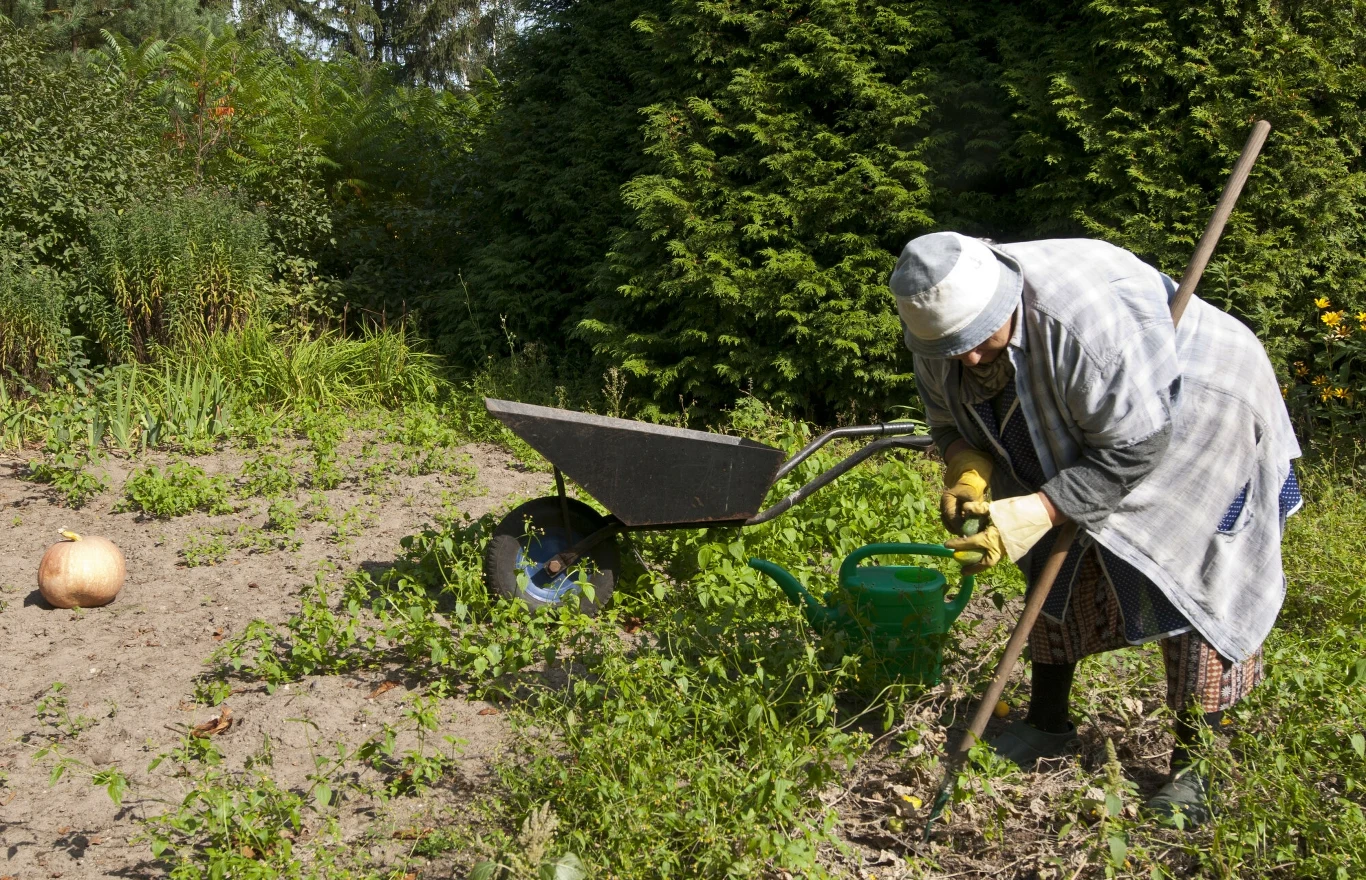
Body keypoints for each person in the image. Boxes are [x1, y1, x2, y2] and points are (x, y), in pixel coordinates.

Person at [890, 232, 1301, 825]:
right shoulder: (941, 333)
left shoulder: (1080, 327)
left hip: (1195, 409)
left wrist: (1039, 510)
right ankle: (1049, 723)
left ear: (1004, 303)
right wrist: (967, 470)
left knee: (1189, 577)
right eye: (952, 350)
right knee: (1052, 564)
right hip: (1096, 415)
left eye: (976, 342)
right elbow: (943, 418)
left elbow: (1133, 450)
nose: (968, 360)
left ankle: (1193, 774)